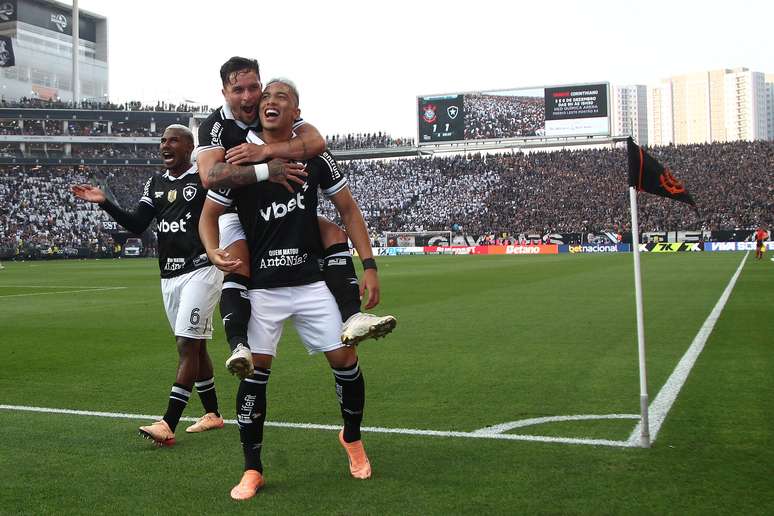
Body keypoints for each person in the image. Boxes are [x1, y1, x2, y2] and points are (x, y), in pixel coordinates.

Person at [199, 79, 379, 500]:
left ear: (297, 111)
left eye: (281, 97)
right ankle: (252, 468)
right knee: (254, 373)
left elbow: (348, 209)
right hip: (264, 289)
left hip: (311, 281)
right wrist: (211, 250)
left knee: (346, 359)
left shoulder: (315, 156)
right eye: (266, 97)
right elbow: (208, 214)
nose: (269, 102)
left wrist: (368, 264)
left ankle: (351, 438)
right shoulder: (239, 161)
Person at [195, 57, 395, 379]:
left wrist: (267, 152)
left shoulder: (294, 132)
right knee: (238, 258)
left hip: (285, 224)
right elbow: (210, 176)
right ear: (224, 93)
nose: (248, 97)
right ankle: (239, 343)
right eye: (238, 90)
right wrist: (265, 169)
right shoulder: (215, 126)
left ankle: (351, 316)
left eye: (253, 89)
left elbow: (317, 142)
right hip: (233, 205)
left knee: (331, 232)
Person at [71, 125, 225, 446]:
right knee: (196, 346)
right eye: (162, 141)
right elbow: (138, 224)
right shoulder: (154, 184)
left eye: (172, 140)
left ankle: (168, 423)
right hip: (169, 276)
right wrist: (104, 202)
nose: (164, 145)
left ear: (189, 147)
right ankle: (212, 414)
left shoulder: (203, 180)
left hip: (202, 269)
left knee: (186, 344)